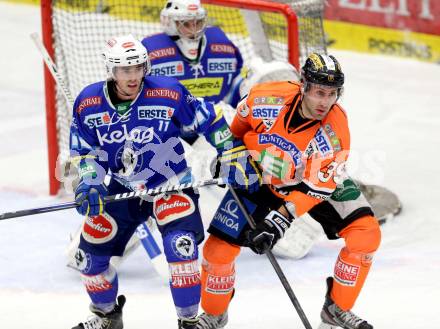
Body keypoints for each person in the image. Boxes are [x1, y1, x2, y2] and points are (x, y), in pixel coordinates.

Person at [69, 34, 260, 329]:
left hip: (170, 182)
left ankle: (189, 322)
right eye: (125, 70)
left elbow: (209, 118)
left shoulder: (168, 92)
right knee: (88, 258)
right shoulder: (88, 103)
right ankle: (107, 315)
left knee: (180, 247)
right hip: (123, 188)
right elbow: (84, 151)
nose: (133, 77)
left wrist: (232, 152)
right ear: (111, 69)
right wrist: (90, 182)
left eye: (138, 68)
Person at [196, 53, 381, 329]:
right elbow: (237, 130)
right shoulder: (264, 98)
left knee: (366, 234)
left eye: (332, 94)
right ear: (304, 84)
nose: (325, 102)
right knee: (217, 251)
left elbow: (317, 188)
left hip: (312, 184)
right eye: (319, 92)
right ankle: (213, 314)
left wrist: (279, 219)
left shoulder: (336, 129)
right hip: (262, 176)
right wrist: (230, 156)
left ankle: (337, 310)